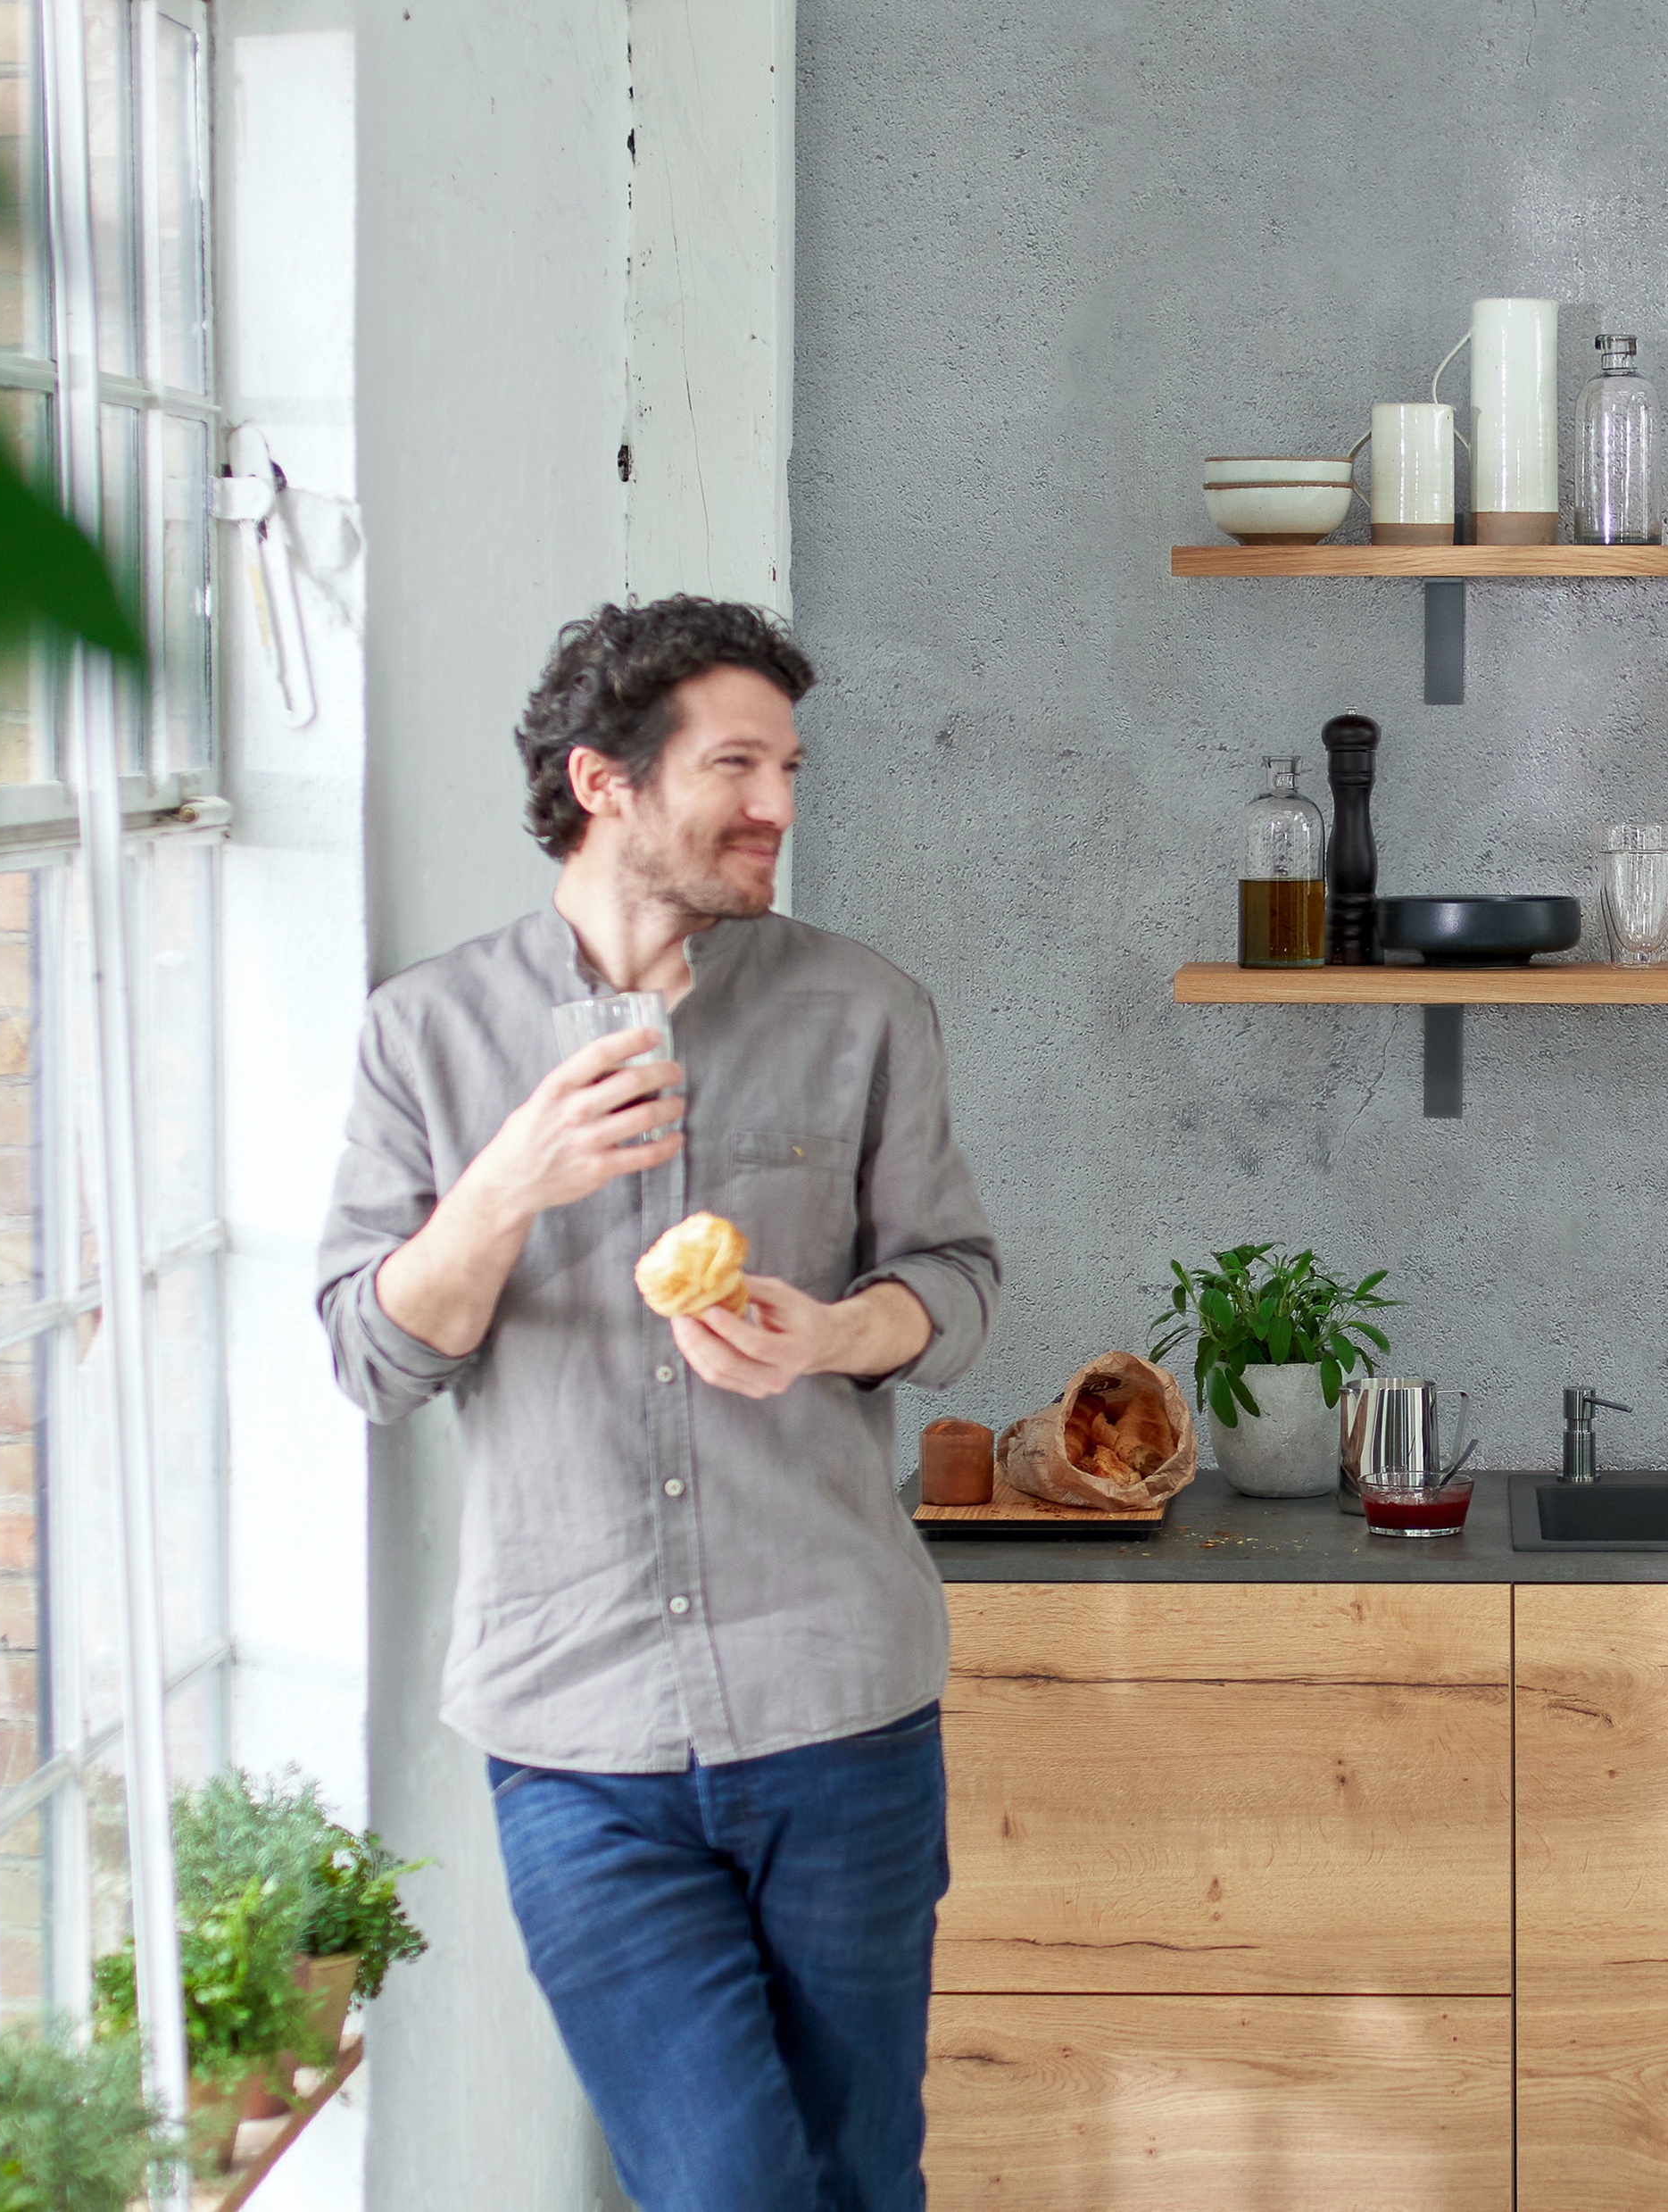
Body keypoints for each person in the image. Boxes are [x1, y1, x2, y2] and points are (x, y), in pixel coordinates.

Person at [313, 596, 998, 2210]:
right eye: (737, 763)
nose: (780, 804)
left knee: (858, 2176)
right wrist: (500, 1189)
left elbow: (957, 1287)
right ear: (604, 781)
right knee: (730, 2188)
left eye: (791, 765)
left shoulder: (861, 1010)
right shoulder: (427, 1035)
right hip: (576, 1736)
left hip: (840, 1707)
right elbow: (368, 1354)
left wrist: (830, 1333)